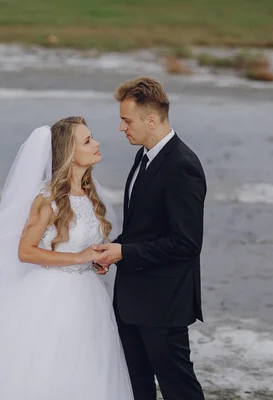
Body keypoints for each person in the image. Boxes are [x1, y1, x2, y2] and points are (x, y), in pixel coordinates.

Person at [0, 117, 134, 400]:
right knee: (45, 367)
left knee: (85, 366)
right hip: (51, 296)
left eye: (92, 137)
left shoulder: (89, 194)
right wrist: (79, 258)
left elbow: (83, 244)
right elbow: (25, 251)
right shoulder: (47, 199)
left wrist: (97, 258)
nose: (96, 143)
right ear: (68, 154)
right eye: (87, 141)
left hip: (89, 298)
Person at [94, 77, 207, 400]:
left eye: (126, 120)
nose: (121, 128)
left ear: (152, 120)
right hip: (132, 300)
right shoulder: (144, 155)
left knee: (179, 388)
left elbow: (186, 243)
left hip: (164, 304)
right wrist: (111, 250)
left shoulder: (183, 166)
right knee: (135, 387)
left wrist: (124, 253)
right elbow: (143, 227)